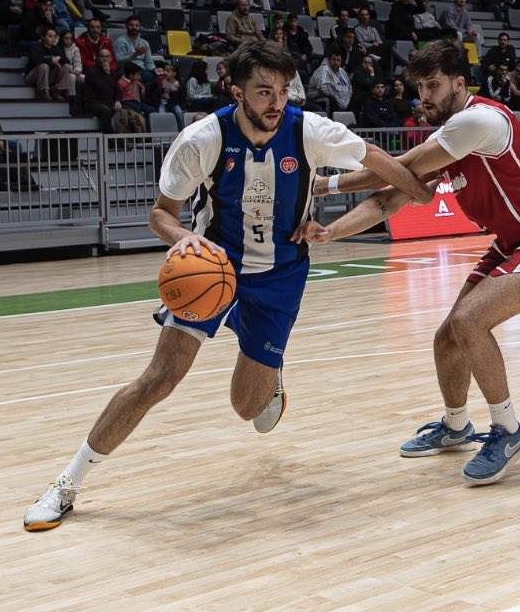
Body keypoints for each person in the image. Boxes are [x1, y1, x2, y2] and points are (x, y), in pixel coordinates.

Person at [22, 41, 431, 531]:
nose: (276, 103)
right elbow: (160, 215)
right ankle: (67, 483)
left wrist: (419, 191)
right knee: (160, 378)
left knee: (248, 408)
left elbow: (376, 158)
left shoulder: (309, 130)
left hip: (280, 275)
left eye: (282, 91)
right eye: (263, 92)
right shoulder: (202, 139)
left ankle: (268, 365)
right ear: (235, 92)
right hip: (214, 269)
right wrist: (185, 240)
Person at [297, 38, 520, 485]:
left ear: (459, 83)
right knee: (448, 338)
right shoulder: (452, 137)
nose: (424, 96)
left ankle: (508, 431)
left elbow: (397, 165)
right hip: (516, 240)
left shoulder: (477, 121)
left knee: (468, 321)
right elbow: (389, 198)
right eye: (420, 87)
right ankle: (456, 426)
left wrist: (322, 186)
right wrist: (330, 232)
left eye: (433, 85)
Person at [25, 26, 72, 101]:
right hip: (33, 77)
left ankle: (59, 91)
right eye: (50, 36)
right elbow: (36, 60)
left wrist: (59, 58)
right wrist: (51, 60)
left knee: (66, 66)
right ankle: (42, 92)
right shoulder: (36, 47)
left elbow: (67, 61)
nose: (53, 38)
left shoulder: (56, 48)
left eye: (54, 36)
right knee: (44, 66)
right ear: (43, 37)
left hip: (48, 77)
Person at [83, 48, 121, 133]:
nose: (105, 59)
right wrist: (106, 74)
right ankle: (108, 136)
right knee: (106, 111)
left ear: (111, 59)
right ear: (97, 58)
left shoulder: (113, 73)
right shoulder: (90, 72)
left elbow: (118, 91)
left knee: (126, 110)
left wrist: (118, 101)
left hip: (109, 101)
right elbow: (101, 88)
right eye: (102, 56)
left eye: (107, 57)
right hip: (94, 102)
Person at [306, 47, 352, 114]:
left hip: (340, 101)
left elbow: (350, 88)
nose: (336, 62)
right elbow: (323, 89)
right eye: (333, 59)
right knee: (331, 100)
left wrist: (347, 101)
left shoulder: (343, 72)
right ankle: (331, 119)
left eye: (338, 60)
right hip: (317, 98)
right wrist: (339, 101)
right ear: (329, 59)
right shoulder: (324, 69)